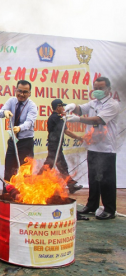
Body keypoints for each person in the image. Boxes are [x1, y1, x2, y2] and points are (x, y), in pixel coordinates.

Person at [65, 77, 119, 220]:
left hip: (106, 148)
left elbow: (99, 120)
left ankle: (109, 209)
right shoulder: (93, 103)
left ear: (108, 89)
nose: (97, 91)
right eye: (95, 88)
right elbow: (81, 109)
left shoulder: (112, 105)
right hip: (93, 146)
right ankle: (92, 205)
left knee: (106, 180)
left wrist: (78, 119)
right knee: (93, 179)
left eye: (101, 88)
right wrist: (72, 106)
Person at [38, 99, 83, 194]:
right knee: (54, 165)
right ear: (58, 107)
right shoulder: (57, 118)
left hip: (55, 145)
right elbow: (66, 131)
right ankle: (35, 182)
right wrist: (78, 137)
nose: (63, 108)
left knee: (57, 165)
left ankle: (71, 185)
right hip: (55, 146)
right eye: (62, 106)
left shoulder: (55, 117)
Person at [0, 80, 38, 186]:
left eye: (25, 92)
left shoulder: (32, 106)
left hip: (25, 143)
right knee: (9, 172)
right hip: (13, 142)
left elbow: (29, 123)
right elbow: (0, 113)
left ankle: (23, 199)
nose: (21, 94)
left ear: (29, 93)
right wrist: (4, 112)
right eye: (19, 91)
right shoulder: (11, 101)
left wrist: (19, 128)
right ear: (16, 90)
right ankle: (6, 196)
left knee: (25, 174)